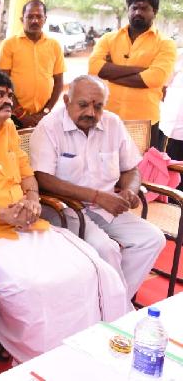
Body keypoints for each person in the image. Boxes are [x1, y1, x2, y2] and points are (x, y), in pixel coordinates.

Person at [0, 67, 128, 363]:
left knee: (92, 268)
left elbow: (27, 176)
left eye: (9, 94)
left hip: (25, 224)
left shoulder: (7, 128)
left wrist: (32, 200)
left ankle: (84, 350)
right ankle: (39, 355)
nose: (7, 100)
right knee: (33, 285)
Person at [30, 75, 165, 301]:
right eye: (83, 105)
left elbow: (131, 168)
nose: (91, 113)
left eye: (98, 106)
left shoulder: (112, 123)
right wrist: (96, 196)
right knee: (106, 248)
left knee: (152, 238)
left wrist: (130, 190)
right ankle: (115, 308)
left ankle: (112, 304)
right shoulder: (49, 127)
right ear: (67, 100)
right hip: (65, 209)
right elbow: (43, 179)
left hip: (107, 207)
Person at [89, 0, 176, 148]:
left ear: (154, 12)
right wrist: (140, 70)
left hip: (143, 122)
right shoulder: (109, 38)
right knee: (104, 167)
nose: (138, 12)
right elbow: (94, 68)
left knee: (140, 170)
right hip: (107, 117)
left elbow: (155, 78)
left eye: (144, 9)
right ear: (128, 10)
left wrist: (110, 72)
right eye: (134, 8)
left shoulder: (165, 43)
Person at [0, 0, 65, 128]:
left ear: (45, 19)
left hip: (44, 116)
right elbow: (2, 83)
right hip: (13, 115)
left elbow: (58, 82)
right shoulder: (9, 45)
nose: (35, 21)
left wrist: (46, 112)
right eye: (30, 17)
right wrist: (21, 114)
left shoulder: (54, 45)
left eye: (39, 16)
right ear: (22, 19)